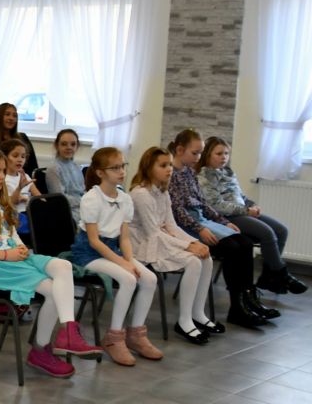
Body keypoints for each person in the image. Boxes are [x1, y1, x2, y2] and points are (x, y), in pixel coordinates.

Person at [0, 146, 101, 378]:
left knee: (63, 266)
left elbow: (9, 232)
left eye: (3, 171)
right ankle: (41, 350)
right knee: (53, 290)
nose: (2, 177)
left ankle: (68, 332)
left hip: (12, 258)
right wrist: (5, 255)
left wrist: (20, 245)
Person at [168, 129, 276, 328]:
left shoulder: (190, 172)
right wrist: (199, 229)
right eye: (195, 153)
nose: (198, 157)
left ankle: (248, 299)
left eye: (200, 153)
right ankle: (237, 308)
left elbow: (203, 203)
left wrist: (223, 221)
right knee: (232, 248)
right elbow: (177, 211)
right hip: (185, 227)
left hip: (202, 221)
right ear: (180, 150)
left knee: (245, 243)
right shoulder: (170, 174)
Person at [69, 147, 161, 366]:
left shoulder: (125, 198)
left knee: (149, 278)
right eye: (115, 168)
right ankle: (114, 337)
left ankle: (136, 334)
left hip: (113, 249)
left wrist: (128, 261)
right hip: (89, 252)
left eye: (123, 166)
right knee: (128, 279)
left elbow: (125, 238)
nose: (121, 171)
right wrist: (123, 265)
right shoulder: (92, 198)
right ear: (100, 173)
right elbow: (94, 240)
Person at [129, 147, 222, 343]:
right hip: (142, 245)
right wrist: (188, 247)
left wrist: (194, 242)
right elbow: (153, 233)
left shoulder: (163, 192)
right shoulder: (141, 194)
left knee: (205, 258)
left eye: (170, 164)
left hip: (159, 239)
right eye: (163, 165)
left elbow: (171, 226)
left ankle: (198, 313)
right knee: (193, 262)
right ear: (148, 167)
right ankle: (184, 321)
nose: (169, 169)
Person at [198, 136, 305, 295]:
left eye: (226, 153)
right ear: (207, 155)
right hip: (227, 217)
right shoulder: (204, 176)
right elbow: (216, 206)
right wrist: (246, 211)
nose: (224, 157)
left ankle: (269, 277)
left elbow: (239, 196)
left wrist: (251, 205)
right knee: (267, 233)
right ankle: (281, 274)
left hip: (242, 211)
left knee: (282, 230)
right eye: (219, 154)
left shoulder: (227, 172)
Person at [0, 102, 39, 175]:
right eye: (7, 114)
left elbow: (33, 166)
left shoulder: (23, 138)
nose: (11, 118)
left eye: (14, 116)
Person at [0, 138, 40, 236]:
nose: (20, 160)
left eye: (23, 156)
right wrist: (19, 188)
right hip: (14, 217)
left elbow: (40, 198)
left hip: (30, 214)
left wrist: (27, 199)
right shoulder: (2, 178)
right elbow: (9, 203)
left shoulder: (25, 176)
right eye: (15, 156)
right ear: (4, 157)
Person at [45, 128, 85, 224]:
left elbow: (82, 191)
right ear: (57, 146)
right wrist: (84, 201)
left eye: (73, 144)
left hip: (83, 207)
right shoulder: (54, 169)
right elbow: (60, 199)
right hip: (67, 213)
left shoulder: (76, 167)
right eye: (64, 144)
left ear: (77, 146)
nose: (69, 147)